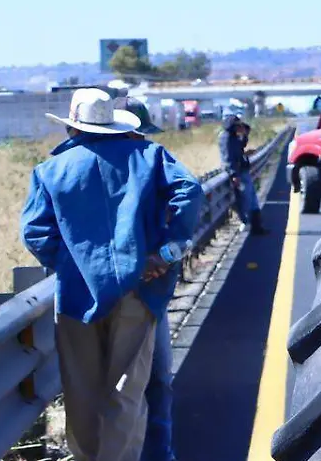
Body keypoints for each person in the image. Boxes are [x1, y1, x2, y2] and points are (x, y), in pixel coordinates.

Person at [21, 88, 203, 461]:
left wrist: (75, 265)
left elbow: (35, 233)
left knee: (81, 393)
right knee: (127, 393)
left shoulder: (50, 170)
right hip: (140, 292)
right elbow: (190, 191)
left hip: (77, 296)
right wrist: (165, 252)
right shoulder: (149, 156)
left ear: (74, 128)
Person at [118, 100, 185, 461]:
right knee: (151, 381)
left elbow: (185, 203)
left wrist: (166, 254)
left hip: (142, 295)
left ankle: (157, 453)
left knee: (154, 380)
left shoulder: (154, 164)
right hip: (137, 294)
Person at [219, 114, 268, 235]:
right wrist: (234, 175)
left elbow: (240, 147)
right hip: (239, 173)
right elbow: (228, 158)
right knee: (247, 200)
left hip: (242, 172)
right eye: (237, 126)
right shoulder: (226, 138)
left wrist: (245, 135)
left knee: (251, 199)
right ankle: (252, 226)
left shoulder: (233, 137)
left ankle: (256, 226)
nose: (238, 128)